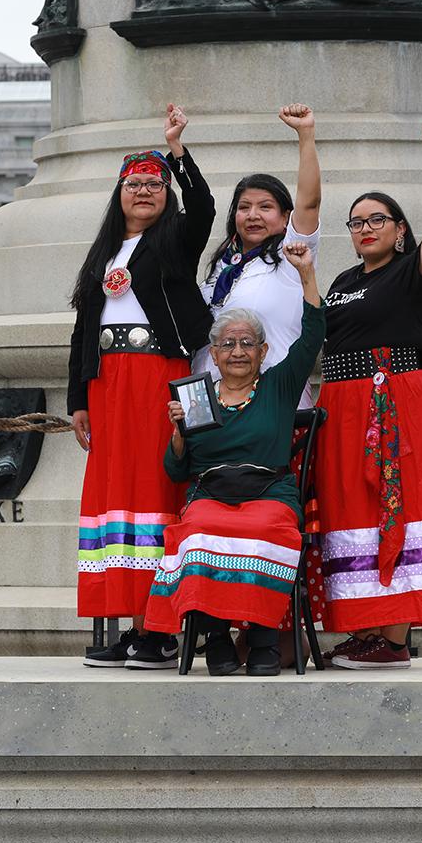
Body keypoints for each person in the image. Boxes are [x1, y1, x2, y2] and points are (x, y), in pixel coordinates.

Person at [70, 104, 216, 671]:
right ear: (119, 194)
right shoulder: (103, 254)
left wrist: (177, 152)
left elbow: (203, 207)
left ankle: (158, 629)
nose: (145, 191)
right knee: (116, 502)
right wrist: (78, 400)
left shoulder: (175, 241)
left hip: (160, 377)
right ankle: (129, 625)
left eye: (154, 184)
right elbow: (83, 331)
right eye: (134, 184)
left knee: (157, 493)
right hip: (109, 385)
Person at [144, 242, 324, 676]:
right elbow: (175, 472)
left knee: (264, 527)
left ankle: (263, 638)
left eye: (247, 343)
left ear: (263, 352)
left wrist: (305, 273)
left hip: (269, 492)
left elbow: (314, 333)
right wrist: (178, 431)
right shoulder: (196, 397)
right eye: (228, 344)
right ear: (215, 353)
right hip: (211, 493)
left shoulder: (278, 386)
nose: (238, 351)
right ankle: (217, 635)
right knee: (201, 528)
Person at [316, 124, 422, 670]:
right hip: (341, 404)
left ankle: (394, 638)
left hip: (392, 398)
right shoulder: (345, 279)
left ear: (399, 230)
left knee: (395, 505)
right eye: (357, 222)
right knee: (350, 508)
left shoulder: (413, 271)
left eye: (377, 219)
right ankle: (364, 627)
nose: (366, 228)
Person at [194, 104, 322, 407]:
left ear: (285, 216)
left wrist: (306, 135)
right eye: (243, 207)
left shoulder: (292, 255)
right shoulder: (224, 265)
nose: (252, 215)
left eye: (265, 207)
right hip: (210, 402)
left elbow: (310, 202)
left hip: (269, 399)